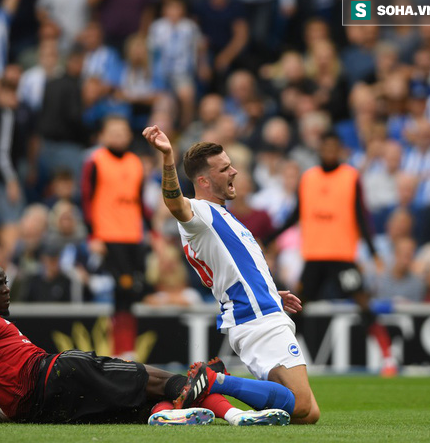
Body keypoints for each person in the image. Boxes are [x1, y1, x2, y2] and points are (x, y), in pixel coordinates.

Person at [0, 259, 292, 428]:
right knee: (162, 380)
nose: (6, 289)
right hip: (59, 372)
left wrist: (20, 421)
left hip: (46, 413)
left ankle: (167, 415)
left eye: (5, 282)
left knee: (141, 407)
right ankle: (232, 408)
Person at [142, 125, 319, 424]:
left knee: (306, 413)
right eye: (225, 169)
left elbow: (232, 269)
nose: (235, 172)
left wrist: (271, 292)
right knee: (301, 406)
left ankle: (185, 405)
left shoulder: (223, 216)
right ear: (203, 180)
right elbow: (174, 202)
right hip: (257, 318)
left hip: (260, 311)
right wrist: (168, 157)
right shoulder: (199, 213)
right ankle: (214, 381)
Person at [266, 132, 397, 377]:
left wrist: (373, 251)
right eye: (325, 148)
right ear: (320, 151)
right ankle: (285, 361)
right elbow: (296, 215)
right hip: (314, 256)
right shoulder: (309, 179)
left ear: (340, 150)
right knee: (298, 308)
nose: (329, 153)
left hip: (342, 256)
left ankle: (388, 358)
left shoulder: (350, 177)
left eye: (333, 148)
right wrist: (271, 238)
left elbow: (361, 215)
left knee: (362, 303)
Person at [81, 116, 147, 358]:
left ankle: (128, 349)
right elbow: (86, 198)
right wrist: (93, 235)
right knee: (115, 292)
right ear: (104, 135)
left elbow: (140, 202)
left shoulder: (135, 163)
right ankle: (116, 350)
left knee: (132, 292)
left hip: (133, 236)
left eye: (123, 131)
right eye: (114, 131)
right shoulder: (95, 161)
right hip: (107, 236)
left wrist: (153, 232)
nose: (119, 136)